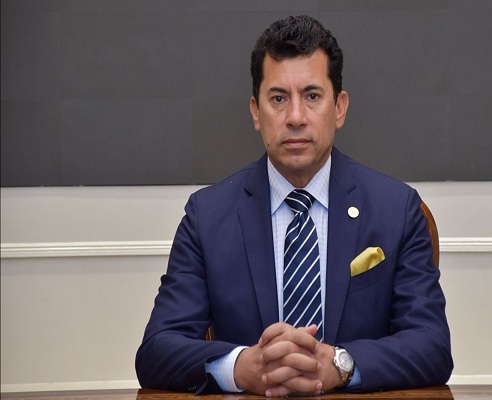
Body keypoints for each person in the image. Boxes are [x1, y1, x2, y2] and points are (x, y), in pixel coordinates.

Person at [136, 15, 452, 396]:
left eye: (312, 96)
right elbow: (157, 351)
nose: (296, 117)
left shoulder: (396, 210)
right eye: (278, 99)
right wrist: (242, 368)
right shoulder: (208, 217)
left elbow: (432, 346)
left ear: (340, 108)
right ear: (256, 112)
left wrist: (339, 365)